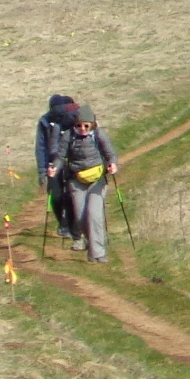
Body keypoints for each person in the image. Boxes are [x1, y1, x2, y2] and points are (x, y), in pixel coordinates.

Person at [47, 104, 121, 262]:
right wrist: (55, 168)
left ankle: (98, 253)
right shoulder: (68, 136)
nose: (82, 128)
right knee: (80, 217)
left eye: (86, 125)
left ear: (92, 124)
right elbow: (60, 157)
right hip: (76, 180)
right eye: (79, 125)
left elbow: (110, 153)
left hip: (97, 181)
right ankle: (90, 243)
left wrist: (112, 164)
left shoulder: (99, 134)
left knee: (94, 215)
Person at [33, 92, 81, 245]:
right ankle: (66, 224)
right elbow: (41, 147)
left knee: (66, 195)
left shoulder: (74, 119)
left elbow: (40, 148)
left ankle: (70, 226)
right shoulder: (45, 122)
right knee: (59, 196)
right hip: (54, 164)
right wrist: (42, 170)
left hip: (70, 162)